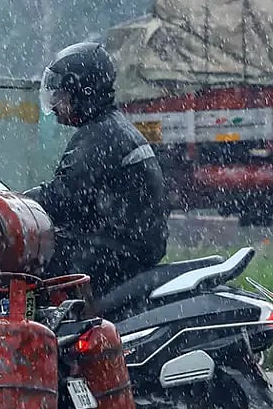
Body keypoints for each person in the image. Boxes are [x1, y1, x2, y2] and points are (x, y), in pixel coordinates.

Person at [24, 41, 168, 294]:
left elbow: (62, 200)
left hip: (116, 250)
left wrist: (20, 204)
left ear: (84, 92)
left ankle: (41, 327)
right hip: (129, 245)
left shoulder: (100, 137)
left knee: (30, 263)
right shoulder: (111, 128)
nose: (56, 103)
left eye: (61, 94)